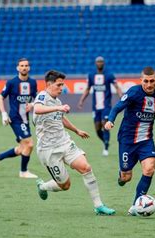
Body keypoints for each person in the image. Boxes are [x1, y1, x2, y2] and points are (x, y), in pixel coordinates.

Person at [33, 70, 115, 215]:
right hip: (48, 150)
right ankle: (43, 186)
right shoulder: (42, 97)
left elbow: (61, 118)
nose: (61, 88)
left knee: (86, 167)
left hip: (64, 143)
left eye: (62, 85)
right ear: (48, 84)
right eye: (59, 85)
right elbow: (37, 109)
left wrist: (76, 130)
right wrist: (58, 107)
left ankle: (99, 206)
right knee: (65, 185)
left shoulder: (57, 101)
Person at [104, 66, 155, 216]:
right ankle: (121, 176)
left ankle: (136, 205)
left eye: (152, 81)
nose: (149, 84)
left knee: (149, 169)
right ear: (141, 81)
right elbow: (118, 106)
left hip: (146, 141)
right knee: (126, 177)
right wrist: (110, 120)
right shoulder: (134, 92)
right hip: (127, 140)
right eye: (146, 81)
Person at [0, 58, 38, 178]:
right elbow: (0, 98)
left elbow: (36, 98)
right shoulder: (11, 83)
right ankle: (23, 171)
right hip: (15, 118)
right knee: (30, 144)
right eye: (21, 66)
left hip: (25, 119)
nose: (24, 67)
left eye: (26, 65)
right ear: (18, 68)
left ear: (29, 68)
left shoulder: (33, 83)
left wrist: (32, 104)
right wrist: (4, 113)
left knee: (23, 148)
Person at [77, 56, 123, 156]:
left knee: (104, 124)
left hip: (106, 106)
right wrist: (81, 101)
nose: (100, 63)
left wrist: (122, 97)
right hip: (96, 107)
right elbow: (87, 89)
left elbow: (117, 87)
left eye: (101, 62)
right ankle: (105, 141)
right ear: (95, 63)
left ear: (104, 63)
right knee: (97, 129)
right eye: (98, 62)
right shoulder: (91, 75)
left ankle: (106, 147)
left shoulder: (109, 75)